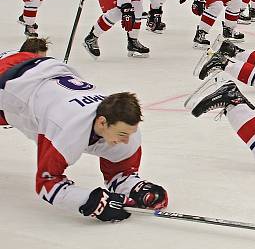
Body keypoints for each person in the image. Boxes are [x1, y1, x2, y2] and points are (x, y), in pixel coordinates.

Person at [0, 52, 168, 222]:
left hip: (44, 70)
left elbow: (120, 173)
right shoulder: (66, 129)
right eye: (122, 134)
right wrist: (91, 201)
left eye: (129, 133)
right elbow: (47, 184)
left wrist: (135, 188)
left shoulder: (124, 129)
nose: (126, 140)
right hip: (8, 77)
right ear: (102, 123)